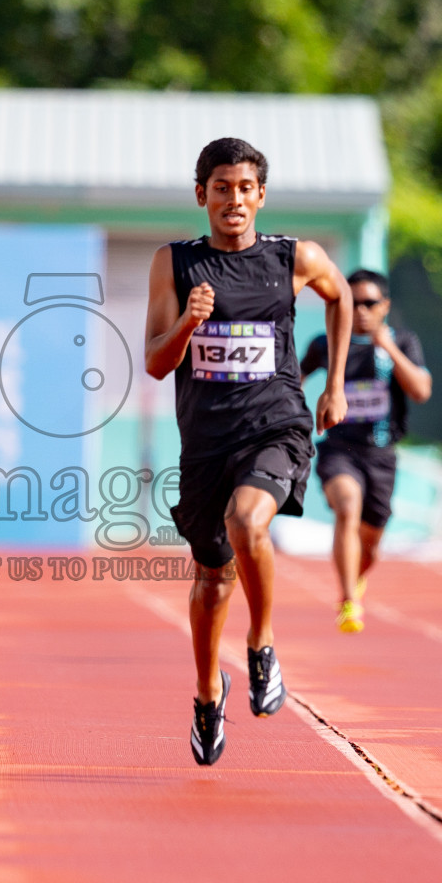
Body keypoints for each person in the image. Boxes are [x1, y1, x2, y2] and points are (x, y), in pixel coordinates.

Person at [144, 137, 352, 766]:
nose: (233, 200)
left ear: (261, 196)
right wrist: (187, 324)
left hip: (276, 427)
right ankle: (209, 692)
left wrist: (334, 383)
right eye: (221, 188)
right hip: (206, 442)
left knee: (247, 521)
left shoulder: (294, 257)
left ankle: (261, 645)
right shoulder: (175, 264)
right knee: (211, 580)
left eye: (244, 189)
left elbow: (339, 298)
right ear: (201, 194)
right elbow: (155, 365)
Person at [300, 269, 431, 633]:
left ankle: (355, 578)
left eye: (369, 303)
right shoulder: (326, 344)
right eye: (352, 302)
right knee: (347, 506)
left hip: (382, 455)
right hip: (338, 450)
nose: (360, 310)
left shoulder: (402, 342)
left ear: (384, 306)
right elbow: (293, 380)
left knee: (370, 543)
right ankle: (348, 600)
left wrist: (387, 347)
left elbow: (421, 391)